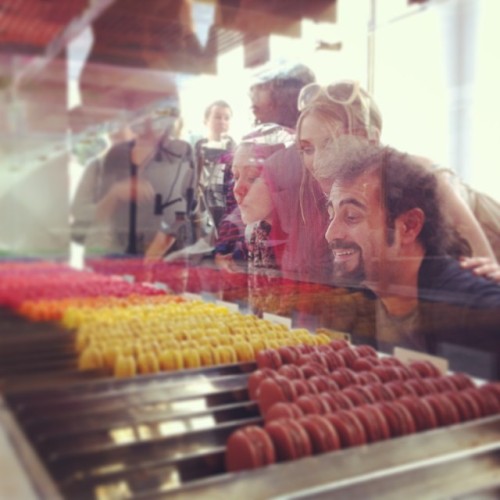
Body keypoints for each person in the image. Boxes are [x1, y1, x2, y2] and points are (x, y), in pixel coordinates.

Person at [323, 143, 500, 361]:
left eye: (351, 216)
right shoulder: (360, 299)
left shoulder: (472, 310)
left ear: (408, 226)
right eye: (331, 215)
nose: (330, 234)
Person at [214, 61, 316, 272]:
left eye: (264, 90)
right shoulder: (252, 149)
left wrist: (230, 248)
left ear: (283, 99)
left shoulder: (291, 155)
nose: (254, 101)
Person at [70, 95, 197, 261]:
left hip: (161, 261)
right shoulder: (104, 162)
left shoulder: (178, 153)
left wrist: (149, 262)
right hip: (109, 259)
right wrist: (113, 195)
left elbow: (178, 214)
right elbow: (82, 214)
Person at [193, 100, 235, 236]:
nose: (222, 121)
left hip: (228, 212)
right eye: (217, 117)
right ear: (206, 120)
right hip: (201, 212)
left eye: (226, 118)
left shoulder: (237, 151)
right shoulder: (197, 149)